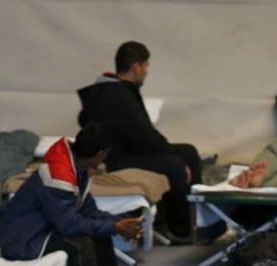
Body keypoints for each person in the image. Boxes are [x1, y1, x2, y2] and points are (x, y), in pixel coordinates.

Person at [0, 124, 144, 266]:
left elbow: (89, 210)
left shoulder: (78, 169)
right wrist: (115, 227)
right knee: (80, 243)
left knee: (100, 234)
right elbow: (70, 224)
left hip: (45, 228)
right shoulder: (59, 175)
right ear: (100, 154)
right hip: (22, 238)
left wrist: (121, 223)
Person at [77, 41, 203, 239]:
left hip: (124, 152)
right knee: (176, 164)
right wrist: (174, 157)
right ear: (137, 67)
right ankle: (181, 228)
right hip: (116, 160)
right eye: (146, 66)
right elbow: (144, 136)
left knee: (188, 151)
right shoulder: (119, 95)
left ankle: (195, 220)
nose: (146, 72)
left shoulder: (108, 90)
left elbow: (141, 135)